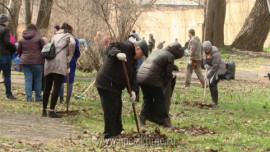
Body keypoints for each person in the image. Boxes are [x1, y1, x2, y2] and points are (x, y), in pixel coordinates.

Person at [95, 39, 148, 139]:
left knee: (118, 106)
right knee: (111, 109)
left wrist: (133, 91)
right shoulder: (125, 46)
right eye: (141, 54)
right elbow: (110, 48)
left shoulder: (133, 60)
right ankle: (109, 135)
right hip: (106, 82)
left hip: (115, 86)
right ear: (137, 48)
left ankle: (118, 130)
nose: (141, 57)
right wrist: (118, 54)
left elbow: (133, 77)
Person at [137, 42, 184, 128]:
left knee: (147, 99)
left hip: (140, 76)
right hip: (152, 78)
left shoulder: (156, 51)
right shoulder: (170, 56)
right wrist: (165, 83)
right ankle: (166, 122)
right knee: (160, 100)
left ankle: (142, 120)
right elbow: (168, 74)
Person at [42, 23, 75, 118]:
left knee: (47, 87)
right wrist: (68, 60)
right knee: (56, 86)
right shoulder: (69, 37)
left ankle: (44, 110)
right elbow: (72, 47)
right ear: (69, 30)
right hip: (60, 64)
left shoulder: (54, 36)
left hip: (49, 62)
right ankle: (51, 111)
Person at [17, 24, 45, 102]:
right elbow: (45, 48)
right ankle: (38, 97)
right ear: (35, 29)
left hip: (25, 62)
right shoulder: (39, 38)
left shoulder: (22, 39)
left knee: (28, 79)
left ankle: (29, 98)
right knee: (38, 79)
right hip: (37, 62)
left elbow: (18, 50)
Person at [59, 26, 80, 103]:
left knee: (60, 79)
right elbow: (77, 52)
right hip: (71, 60)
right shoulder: (75, 40)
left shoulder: (59, 39)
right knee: (70, 80)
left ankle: (61, 99)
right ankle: (67, 100)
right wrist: (75, 57)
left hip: (61, 60)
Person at [203, 41, 226, 106]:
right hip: (212, 69)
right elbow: (204, 60)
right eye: (205, 50)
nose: (206, 51)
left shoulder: (216, 54)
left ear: (210, 48)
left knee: (213, 84)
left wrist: (208, 76)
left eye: (207, 50)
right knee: (211, 84)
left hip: (219, 70)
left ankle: (215, 102)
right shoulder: (204, 52)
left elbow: (215, 66)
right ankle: (214, 101)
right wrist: (205, 65)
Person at [0, 14, 16, 100]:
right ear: (5, 22)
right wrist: (14, 47)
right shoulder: (5, 30)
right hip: (5, 55)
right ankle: (8, 94)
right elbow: (7, 42)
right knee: (6, 76)